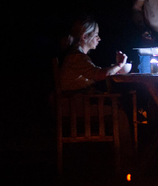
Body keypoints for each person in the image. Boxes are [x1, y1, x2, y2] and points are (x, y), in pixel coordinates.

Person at [57, 16, 134, 158]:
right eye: (96, 35)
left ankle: (120, 156)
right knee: (120, 112)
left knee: (118, 104)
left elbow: (97, 72)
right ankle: (126, 158)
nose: (99, 39)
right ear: (85, 37)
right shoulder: (77, 58)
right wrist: (118, 65)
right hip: (75, 106)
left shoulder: (79, 58)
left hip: (75, 104)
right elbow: (98, 74)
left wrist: (116, 68)